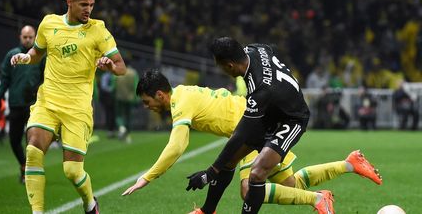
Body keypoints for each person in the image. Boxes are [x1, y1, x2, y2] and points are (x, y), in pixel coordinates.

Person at [121, 69, 382, 214]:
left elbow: (177, 146)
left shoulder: (180, 104)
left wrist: (147, 177)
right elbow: (224, 168)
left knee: (249, 190)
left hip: (250, 130)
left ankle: (317, 200)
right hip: (257, 123)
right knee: (292, 184)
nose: (147, 107)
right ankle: (349, 164)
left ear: (159, 94)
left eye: (147, 102)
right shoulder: (185, 92)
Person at [184, 37, 380, 214]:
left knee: (257, 173)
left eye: (221, 67)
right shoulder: (254, 49)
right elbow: (271, 49)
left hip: (292, 118)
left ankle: (340, 174)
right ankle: (207, 211)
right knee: (281, 180)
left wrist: (209, 173)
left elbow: (241, 134)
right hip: (270, 111)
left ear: (229, 65)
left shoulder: (260, 89)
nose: (222, 71)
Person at [10, 0, 126, 214]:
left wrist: (109, 66)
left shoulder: (98, 30)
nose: (89, 10)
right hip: (48, 101)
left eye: (92, 5)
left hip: (78, 107)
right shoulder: (48, 23)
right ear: (69, 2)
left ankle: (90, 204)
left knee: (72, 171)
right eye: (84, 4)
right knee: (32, 150)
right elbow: (37, 53)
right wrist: (25, 57)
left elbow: (120, 66)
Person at [0, 25, 45, 183]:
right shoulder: (12, 55)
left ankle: (30, 172)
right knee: (14, 140)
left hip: (33, 105)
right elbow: (4, 78)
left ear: (35, 37)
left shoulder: (40, 56)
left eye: (30, 37)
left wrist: (37, 89)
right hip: (15, 103)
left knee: (32, 142)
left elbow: (46, 77)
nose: (28, 39)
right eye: (25, 37)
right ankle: (23, 166)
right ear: (20, 37)